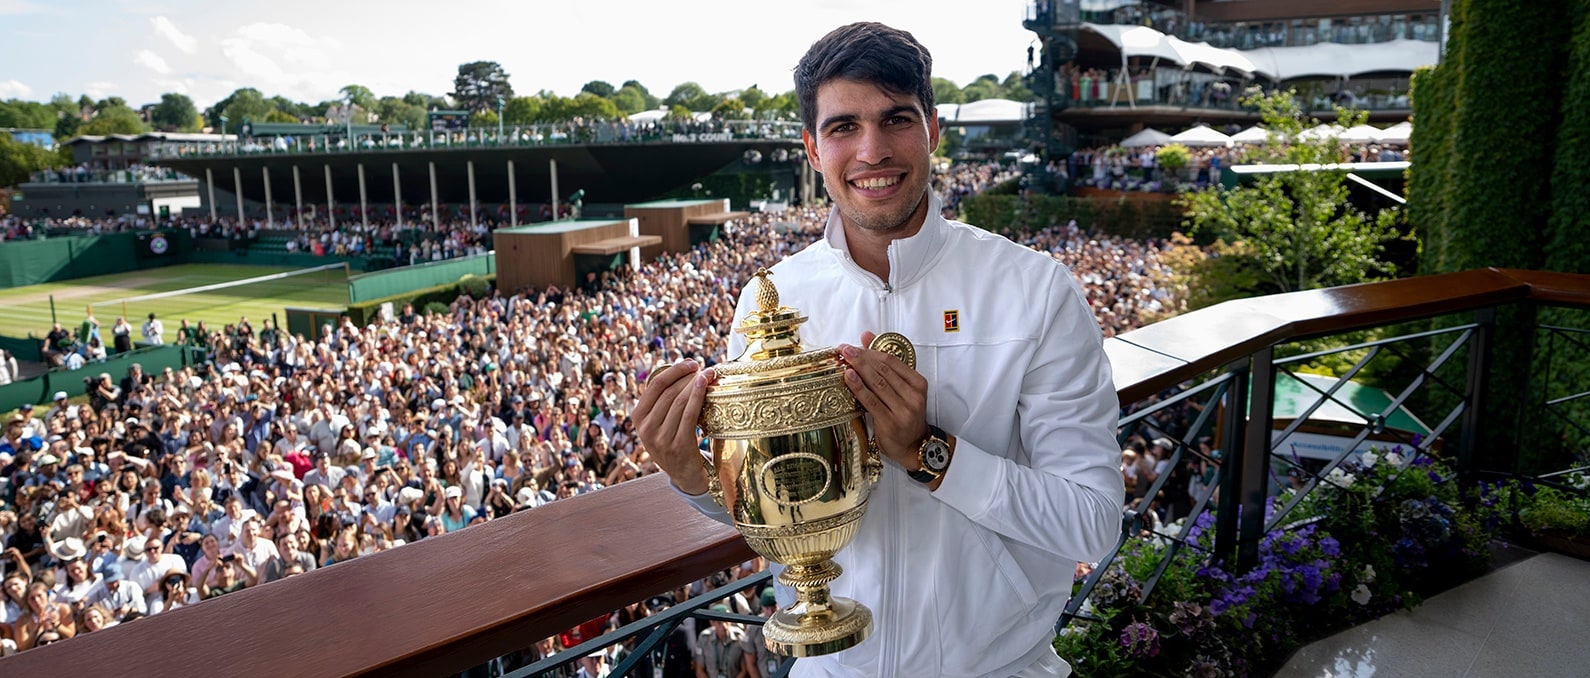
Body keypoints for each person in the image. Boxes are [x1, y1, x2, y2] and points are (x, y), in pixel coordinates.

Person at [635, 23, 1123, 678]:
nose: (872, 150)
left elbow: (1092, 526)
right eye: (842, 127)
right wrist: (695, 479)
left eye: (896, 119)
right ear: (811, 147)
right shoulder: (769, 300)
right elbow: (779, 519)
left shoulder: (1034, 289)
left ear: (933, 131)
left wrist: (931, 455)